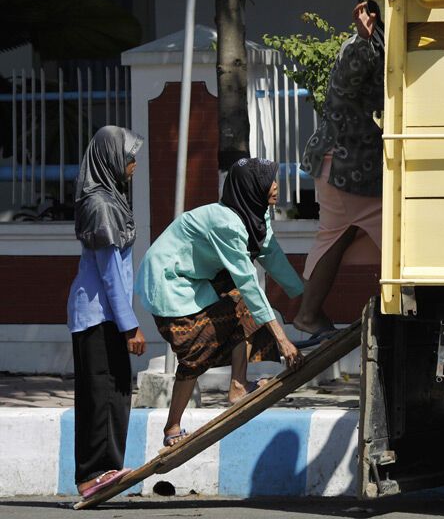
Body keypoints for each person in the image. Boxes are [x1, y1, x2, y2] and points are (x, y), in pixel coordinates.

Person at [136, 158, 304, 448]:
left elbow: (272, 256)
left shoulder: (255, 214)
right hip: (169, 280)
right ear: (252, 187)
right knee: (195, 350)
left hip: (197, 278)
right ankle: (172, 425)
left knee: (243, 309)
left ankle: (238, 386)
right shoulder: (227, 222)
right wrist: (282, 339)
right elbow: (248, 282)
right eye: (268, 181)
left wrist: (307, 299)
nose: (275, 186)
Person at [293, 1, 384, 341]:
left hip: (345, 163)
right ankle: (307, 314)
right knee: (396, 236)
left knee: (337, 234)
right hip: (346, 165)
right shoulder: (362, 46)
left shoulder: (373, 43)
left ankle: (309, 313)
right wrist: (363, 39)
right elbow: (348, 83)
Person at [68, 126, 145, 498]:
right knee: (100, 394)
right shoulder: (100, 205)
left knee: (115, 392)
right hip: (97, 315)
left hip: (107, 316)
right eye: (129, 157)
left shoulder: (109, 200)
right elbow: (110, 273)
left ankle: (106, 468)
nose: (133, 165)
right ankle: (91, 474)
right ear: (111, 158)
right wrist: (131, 326)